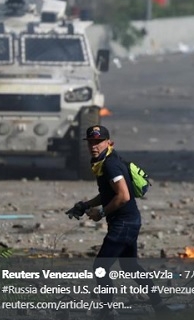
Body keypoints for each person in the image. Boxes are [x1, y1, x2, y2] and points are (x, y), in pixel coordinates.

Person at [65, 125, 170, 320]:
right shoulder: (103, 162)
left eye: (98, 142)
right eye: (91, 142)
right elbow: (108, 193)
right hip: (128, 221)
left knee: (100, 267)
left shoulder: (110, 165)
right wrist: (85, 205)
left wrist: (101, 212)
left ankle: (108, 312)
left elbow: (123, 195)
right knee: (130, 266)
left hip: (124, 223)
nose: (94, 146)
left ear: (109, 142)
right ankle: (160, 306)